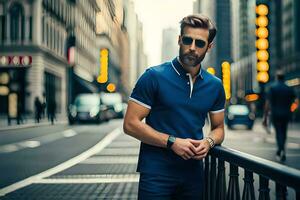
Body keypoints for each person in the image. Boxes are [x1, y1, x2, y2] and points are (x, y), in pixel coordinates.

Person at [123, 14, 225, 199]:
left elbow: (218, 128)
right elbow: (130, 124)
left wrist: (208, 142)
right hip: (156, 174)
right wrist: (172, 142)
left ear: (209, 47)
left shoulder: (215, 86)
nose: (192, 48)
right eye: (187, 40)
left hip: (193, 175)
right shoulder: (153, 76)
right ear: (179, 40)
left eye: (200, 43)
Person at [263, 71, 297, 162]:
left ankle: (280, 149)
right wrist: (292, 111)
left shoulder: (273, 88)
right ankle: (282, 149)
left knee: (278, 132)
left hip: (276, 114)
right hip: (286, 114)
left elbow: (268, 103)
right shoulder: (288, 88)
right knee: (284, 131)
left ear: (277, 77)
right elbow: (295, 101)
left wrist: (265, 117)